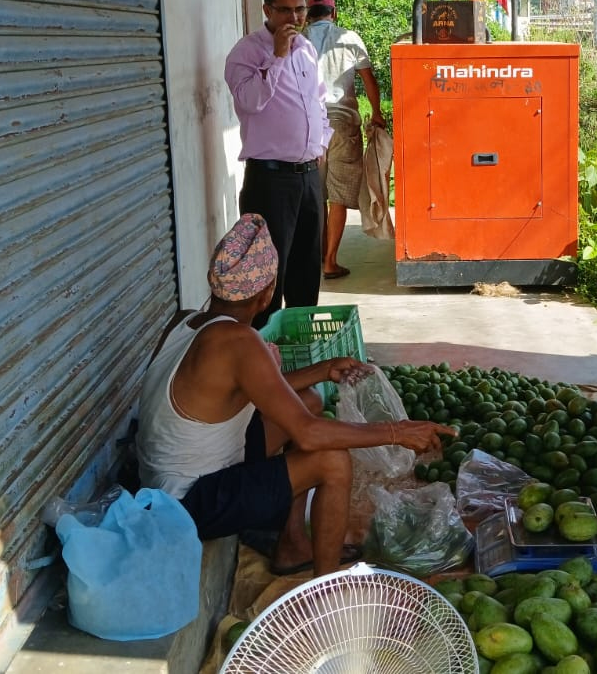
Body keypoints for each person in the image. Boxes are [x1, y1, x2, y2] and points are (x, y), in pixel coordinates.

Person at [137, 213, 454, 576]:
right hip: (187, 502)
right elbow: (309, 435)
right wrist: (398, 432)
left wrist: (324, 370)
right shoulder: (239, 341)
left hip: (164, 483)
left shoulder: (185, 320)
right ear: (267, 292)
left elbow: (251, 392)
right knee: (331, 460)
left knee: (309, 401)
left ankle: (292, 543)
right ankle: (325, 587)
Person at [225, 0, 332, 328]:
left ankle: (300, 344)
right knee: (267, 276)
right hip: (270, 181)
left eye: (300, 10)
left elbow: (318, 102)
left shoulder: (307, 50)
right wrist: (278, 56)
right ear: (267, 10)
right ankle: (262, 350)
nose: (295, 18)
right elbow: (250, 102)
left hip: (308, 176)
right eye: (285, 10)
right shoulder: (247, 52)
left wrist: (322, 142)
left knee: (307, 269)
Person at [304, 0, 385, 279]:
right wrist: (377, 113)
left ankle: (314, 258)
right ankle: (330, 261)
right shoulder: (349, 38)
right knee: (337, 196)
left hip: (308, 126)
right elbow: (369, 80)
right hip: (342, 123)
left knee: (315, 193)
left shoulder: (298, 41)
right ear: (334, 13)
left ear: (307, 15)